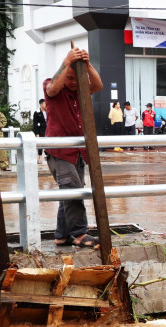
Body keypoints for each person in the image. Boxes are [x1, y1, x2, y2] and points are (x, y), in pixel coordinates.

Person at [44, 46, 103, 248]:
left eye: (76, 77)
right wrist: (67, 62)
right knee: (73, 190)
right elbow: (52, 88)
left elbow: (98, 85)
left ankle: (61, 235)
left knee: (68, 193)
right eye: (69, 77)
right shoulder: (53, 88)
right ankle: (79, 234)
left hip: (78, 150)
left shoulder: (81, 89)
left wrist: (86, 64)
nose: (72, 81)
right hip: (60, 150)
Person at [33, 98, 47, 163]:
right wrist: (36, 133)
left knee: (49, 143)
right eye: (44, 103)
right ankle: (40, 157)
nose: (46, 105)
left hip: (48, 130)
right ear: (41, 104)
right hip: (40, 131)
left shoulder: (48, 111)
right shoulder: (37, 112)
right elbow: (35, 124)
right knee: (40, 145)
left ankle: (48, 156)